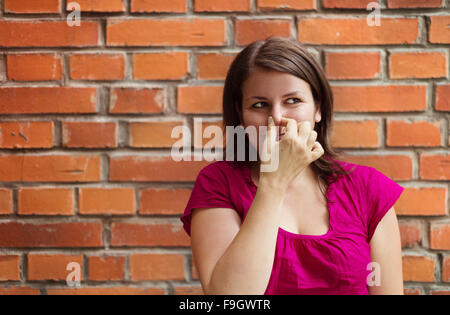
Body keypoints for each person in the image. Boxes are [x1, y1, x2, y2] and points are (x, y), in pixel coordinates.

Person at [180, 36, 404, 295]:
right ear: (240, 115)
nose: (276, 117)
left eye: (293, 101)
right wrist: (273, 182)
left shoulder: (369, 188)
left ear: (318, 108)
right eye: (259, 105)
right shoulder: (218, 183)